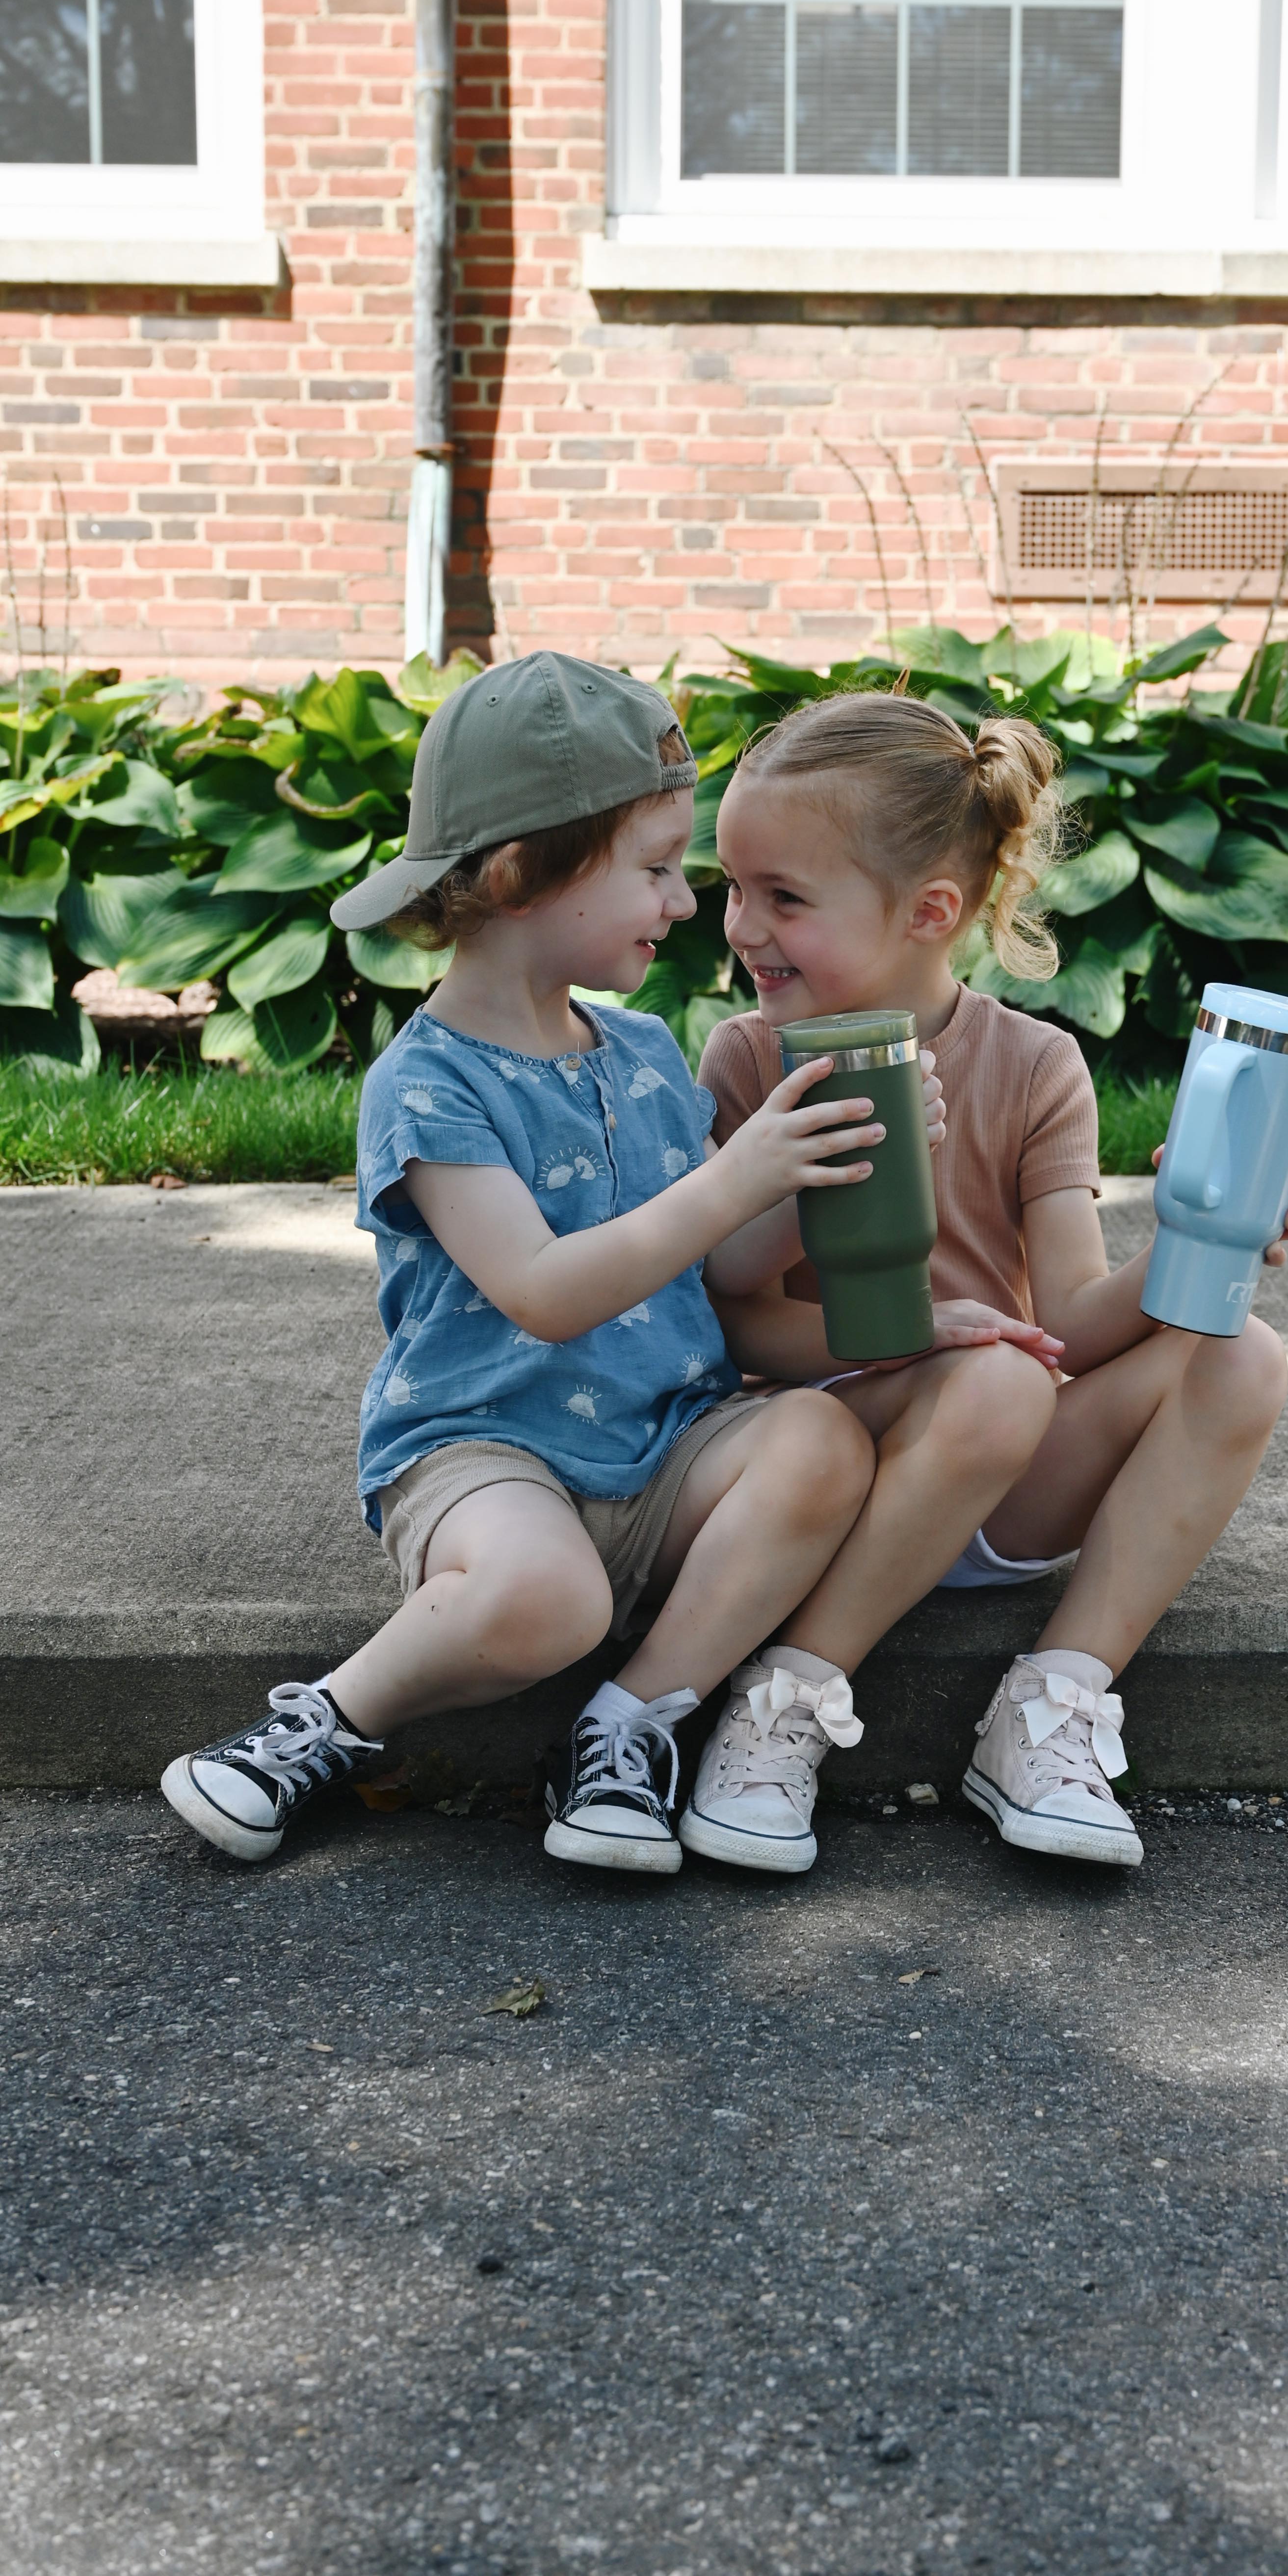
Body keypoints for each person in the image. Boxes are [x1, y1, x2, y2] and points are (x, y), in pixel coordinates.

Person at [158, 654, 1052, 1880]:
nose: (686, 907)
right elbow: (543, 1286)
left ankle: (629, 1723)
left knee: (818, 1443)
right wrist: (740, 1174)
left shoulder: (636, 1050)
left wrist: (814, 1175)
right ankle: (323, 1720)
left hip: (667, 1443)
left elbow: (712, 1263)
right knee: (549, 1600)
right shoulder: (427, 1087)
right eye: (654, 869)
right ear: (529, 872)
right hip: (487, 1450)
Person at [697, 689, 1288, 1873]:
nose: (741, 926)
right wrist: (918, 1337)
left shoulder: (1034, 1067)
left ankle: (1053, 1706)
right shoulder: (744, 1061)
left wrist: (1201, 1247)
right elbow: (733, 1327)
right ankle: (786, 1699)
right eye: (734, 888)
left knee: (1242, 1353)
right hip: (834, 1464)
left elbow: (1071, 1326)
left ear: (929, 912)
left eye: (783, 897)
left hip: (1008, 1463)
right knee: (984, 1381)